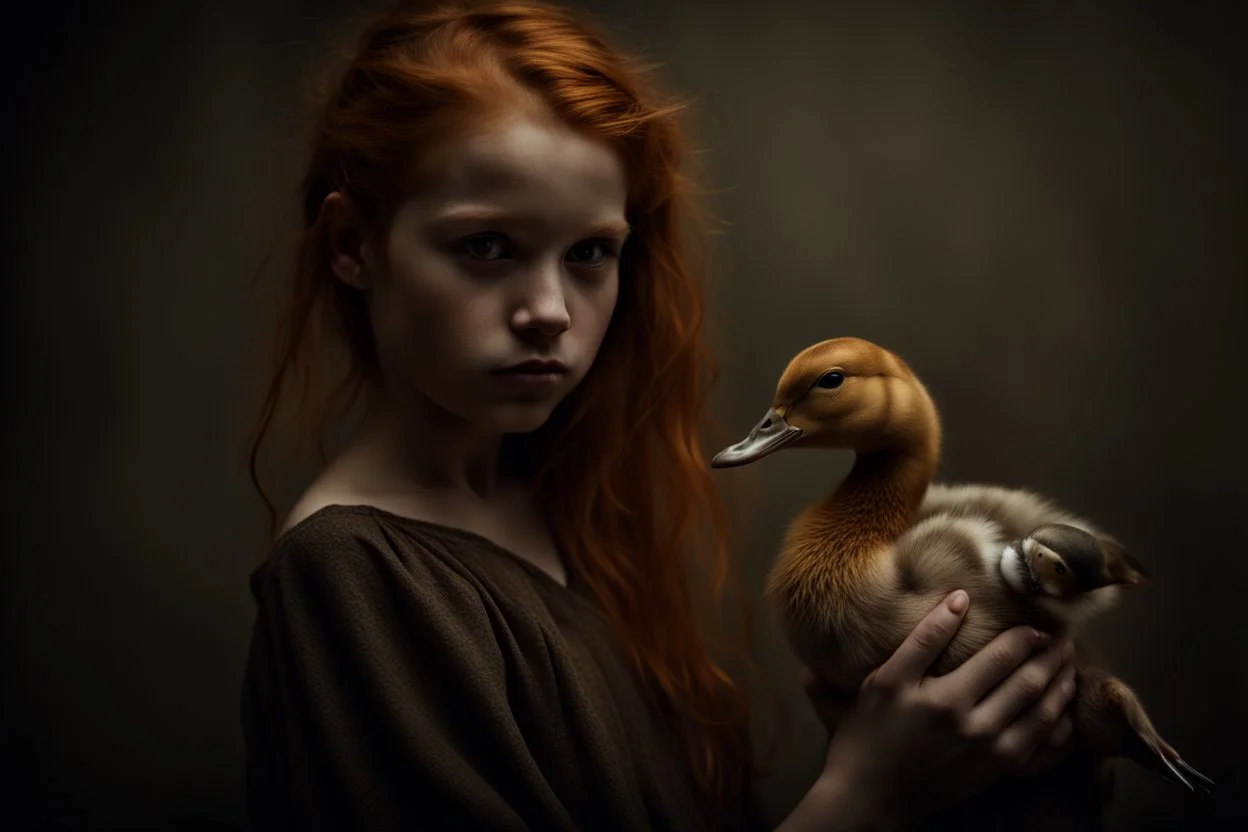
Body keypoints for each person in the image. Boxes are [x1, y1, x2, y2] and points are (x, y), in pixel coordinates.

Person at [240, 1, 1079, 829]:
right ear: (353, 246)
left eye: (590, 254)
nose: (550, 311)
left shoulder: (567, 505)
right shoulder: (346, 573)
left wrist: (905, 745)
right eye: (487, 246)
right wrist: (865, 796)